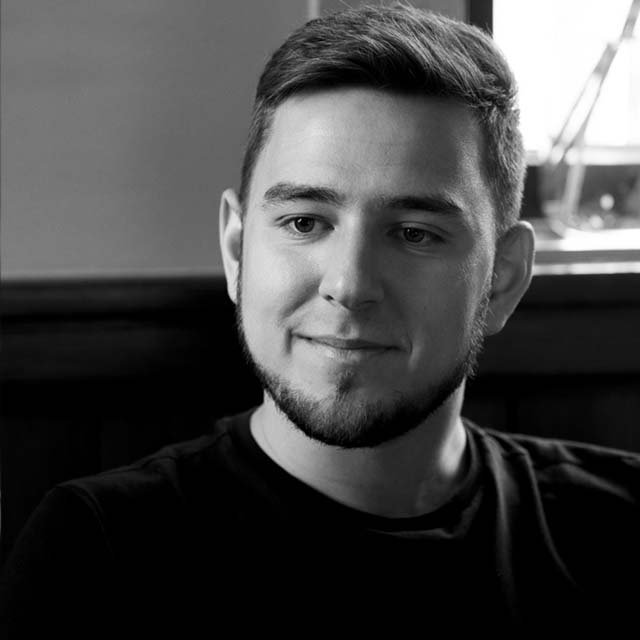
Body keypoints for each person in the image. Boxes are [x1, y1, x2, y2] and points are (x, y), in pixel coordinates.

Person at [1, 4, 638, 636]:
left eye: (414, 233)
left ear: (502, 278)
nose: (349, 286)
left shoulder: (621, 529)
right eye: (304, 222)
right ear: (236, 250)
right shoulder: (97, 552)